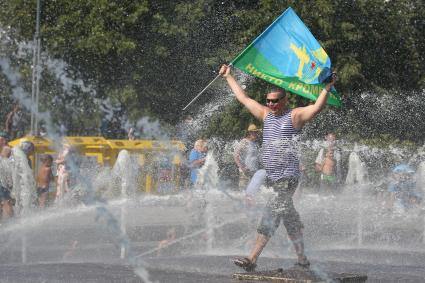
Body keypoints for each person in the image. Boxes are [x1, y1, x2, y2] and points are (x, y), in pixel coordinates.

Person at [219, 64, 336, 271]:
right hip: (274, 179)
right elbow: (244, 99)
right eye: (268, 101)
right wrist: (229, 77)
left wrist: (327, 88)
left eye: (275, 101)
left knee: (271, 214)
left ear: (285, 100)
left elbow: (316, 108)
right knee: (290, 218)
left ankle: (252, 259)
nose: (271, 104)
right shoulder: (266, 115)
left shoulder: (295, 116)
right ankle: (302, 260)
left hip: (288, 177)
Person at [234, 124, 262, 191]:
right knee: (244, 192)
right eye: (255, 132)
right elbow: (235, 155)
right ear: (250, 133)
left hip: (254, 172)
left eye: (257, 132)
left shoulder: (255, 143)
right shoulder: (244, 142)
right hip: (245, 173)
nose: (256, 134)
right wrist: (242, 167)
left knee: (254, 194)